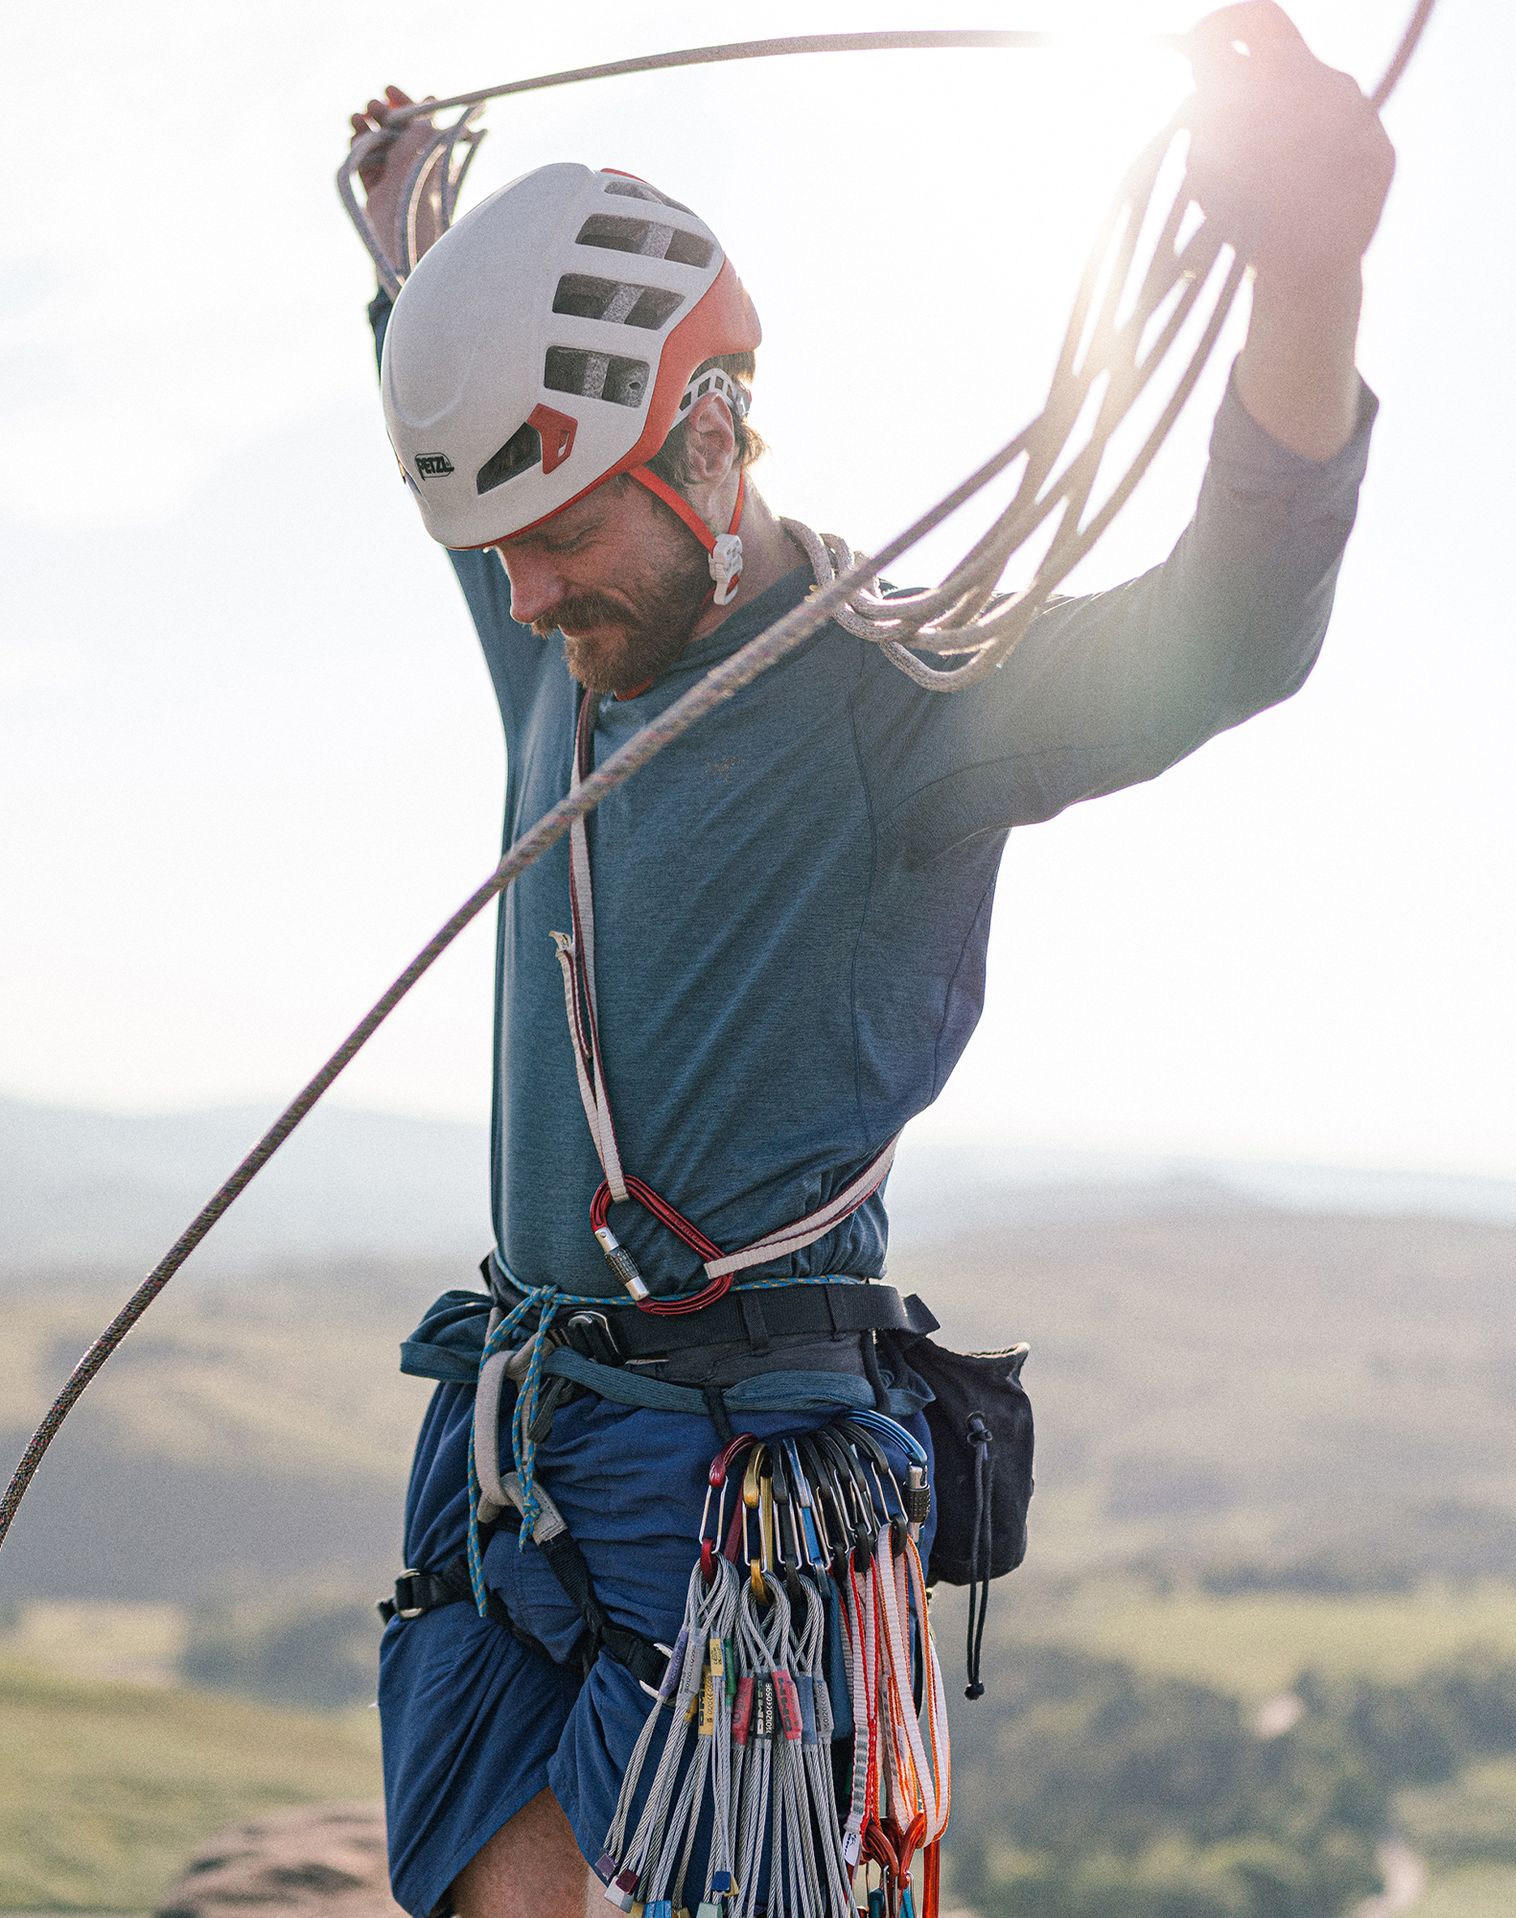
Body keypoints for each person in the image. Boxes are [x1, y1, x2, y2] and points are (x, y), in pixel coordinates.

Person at [346, 8, 1393, 1915]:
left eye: (556, 537)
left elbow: (1226, 632)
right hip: (532, 1432)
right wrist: (414, 243)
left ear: (705, 442)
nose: (521, 595)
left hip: (738, 1482)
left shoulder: (895, 701)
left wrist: (1307, 273)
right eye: (493, 550)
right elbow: (512, 488)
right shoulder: (563, 648)